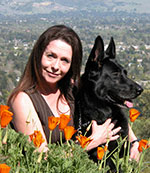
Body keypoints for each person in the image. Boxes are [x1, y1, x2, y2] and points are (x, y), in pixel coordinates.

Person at [7, 24, 140, 160]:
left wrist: (134, 141)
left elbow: (107, 106)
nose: (55, 66)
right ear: (38, 54)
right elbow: (41, 158)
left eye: (64, 60)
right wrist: (91, 142)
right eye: (50, 56)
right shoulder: (22, 100)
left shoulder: (72, 89)